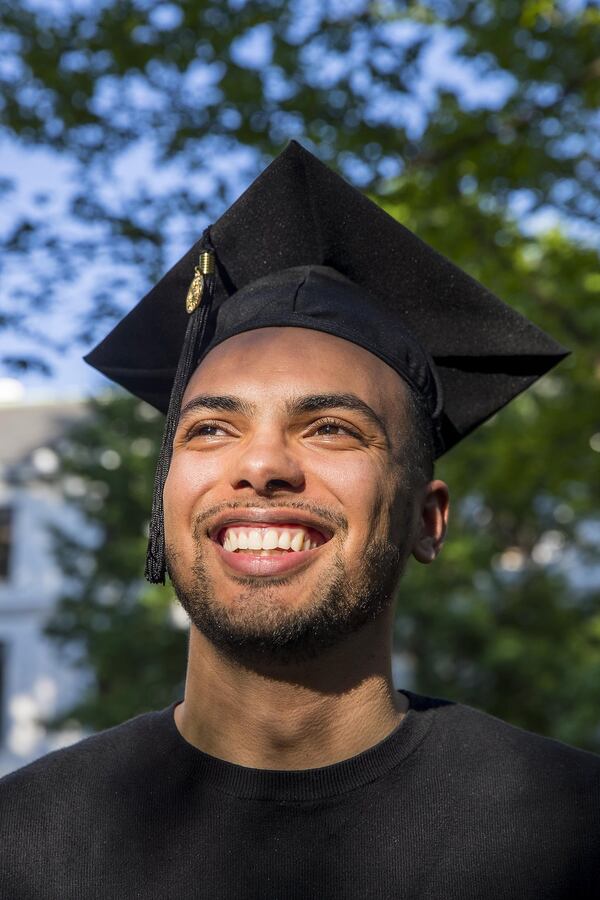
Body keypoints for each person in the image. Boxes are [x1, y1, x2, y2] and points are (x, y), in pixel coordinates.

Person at [1, 142, 598, 899]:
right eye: (212, 429)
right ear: (164, 496)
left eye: (332, 429)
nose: (262, 464)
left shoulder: (570, 834)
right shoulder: (21, 847)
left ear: (427, 520)